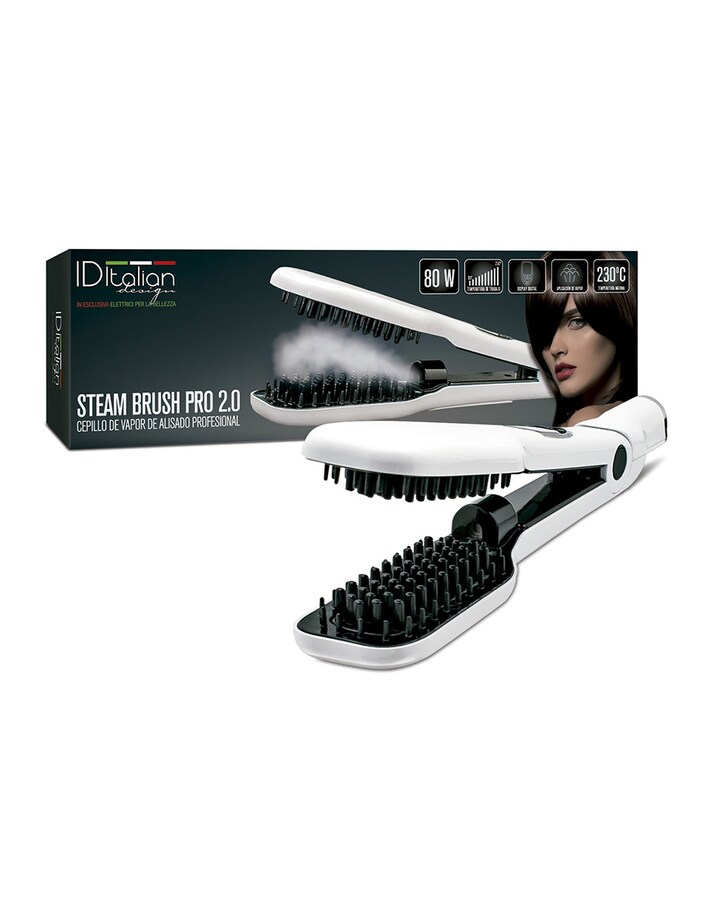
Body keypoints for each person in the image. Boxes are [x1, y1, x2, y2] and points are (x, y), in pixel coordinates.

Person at [525, 252, 637, 426]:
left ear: (618, 319)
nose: (555, 348)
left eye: (577, 321)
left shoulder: (589, 420)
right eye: (545, 331)